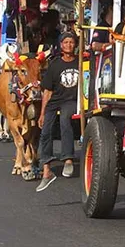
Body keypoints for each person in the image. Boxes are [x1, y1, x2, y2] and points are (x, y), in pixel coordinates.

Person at [36, 32, 79, 192]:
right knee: (46, 130)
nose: (68, 45)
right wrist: (42, 113)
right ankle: (46, 170)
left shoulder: (81, 62)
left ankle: (67, 158)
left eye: (71, 42)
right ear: (61, 45)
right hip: (55, 101)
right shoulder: (54, 64)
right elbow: (47, 91)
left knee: (65, 120)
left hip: (72, 100)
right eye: (65, 42)